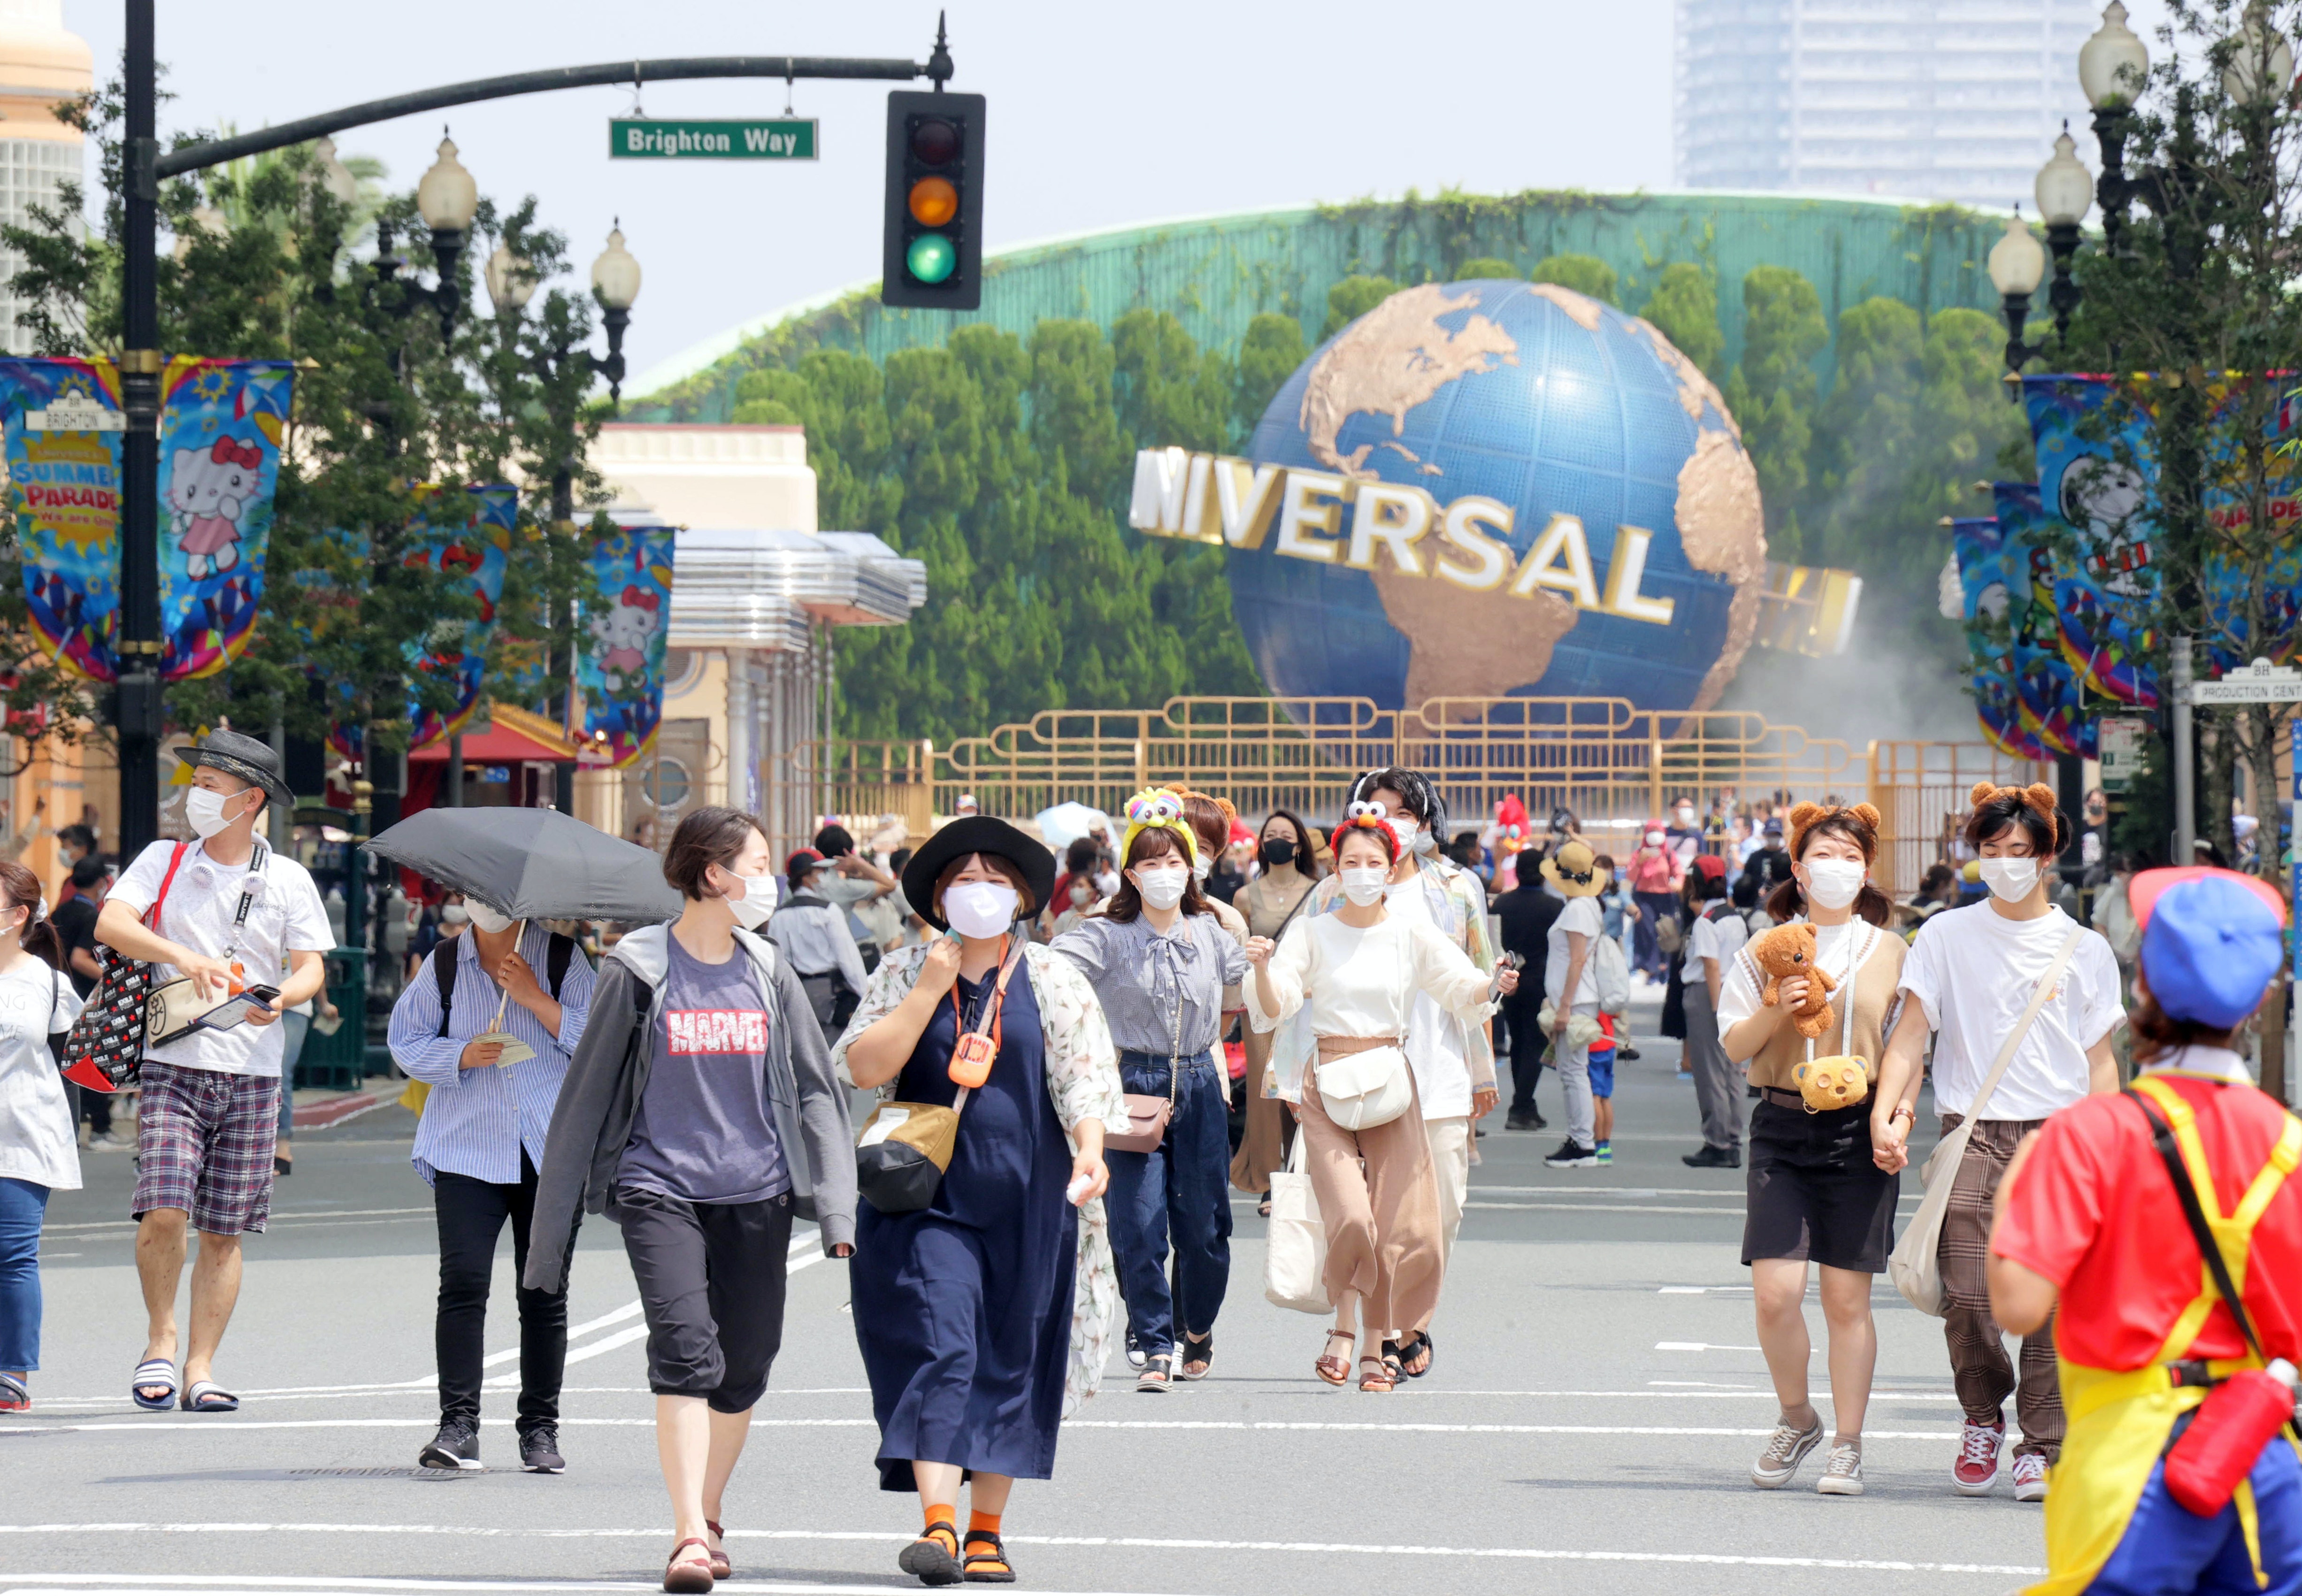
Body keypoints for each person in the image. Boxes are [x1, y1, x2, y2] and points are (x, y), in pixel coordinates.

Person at [527, 806, 856, 1594]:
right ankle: (683, 1536)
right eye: (759, 862)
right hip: (658, 1186)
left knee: (743, 1367)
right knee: (685, 1351)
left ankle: (707, 1515)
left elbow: (816, 1091)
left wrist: (837, 1211)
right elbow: (584, 1101)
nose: (769, 879)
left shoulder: (769, 971)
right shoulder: (635, 970)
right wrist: (550, 1242)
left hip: (758, 1191)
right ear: (715, 874)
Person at [1988, 865, 2302, 1595]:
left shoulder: (2090, 1135)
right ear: (2258, 1002)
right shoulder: (2289, 1143)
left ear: (2141, 991)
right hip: (2263, 1463)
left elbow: (2018, 1303)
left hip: (2132, 1471)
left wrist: (2017, 1183)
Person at [836, 815, 1124, 1588]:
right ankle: (937, 1525)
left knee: (1010, 1353)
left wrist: (1092, 1151)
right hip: (924, 1200)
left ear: (1024, 895)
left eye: (994, 879)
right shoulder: (903, 970)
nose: (980, 892)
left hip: (1032, 1198)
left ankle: (987, 1530)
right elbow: (861, 1066)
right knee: (943, 1345)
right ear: (937, 896)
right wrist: (930, 987)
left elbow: (1084, 1076)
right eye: (963, 879)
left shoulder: (1054, 977)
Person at [1873, 782, 2126, 1504]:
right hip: (1973, 1137)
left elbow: (2100, 1060)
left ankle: (2041, 1446)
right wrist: (1886, 1113)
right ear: (1976, 855)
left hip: (2061, 1141)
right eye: (1992, 852)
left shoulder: (2085, 949)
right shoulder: (1948, 935)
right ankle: (1982, 1415)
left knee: (2051, 1304)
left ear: (2048, 855)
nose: (2007, 863)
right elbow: (1911, 1035)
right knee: (1971, 1297)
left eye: (2020, 851)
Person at [97, 730, 330, 1414]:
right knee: (164, 1209)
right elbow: (113, 923)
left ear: (250, 799)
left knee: (225, 1230)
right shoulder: (165, 860)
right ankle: (160, 1341)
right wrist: (183, 955)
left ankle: (201, 1366)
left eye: (208, 786)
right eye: (194, 783)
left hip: (254, 1073)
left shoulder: (287, 877)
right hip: (173, 1063)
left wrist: (283, 999)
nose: (193, 796)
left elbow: (312, 964)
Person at [1245, 807, 1514, 1391]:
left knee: (1396, 1226)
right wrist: (1263, 969)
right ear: (1335, 871)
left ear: (1391, 867)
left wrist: (1491, 982)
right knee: (1350, 1216)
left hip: (1392, 1081)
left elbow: (1458, 985)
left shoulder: (1411, 932)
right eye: (1351, 863)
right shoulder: (1314, 930)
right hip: (1325, 1084)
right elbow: (1278, 1000)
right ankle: (1344, 1330)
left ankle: (1373, 1343)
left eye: (1374, 862)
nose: (1363, 872)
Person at [1716, 803, 1908, 1496]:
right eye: (1823, 856)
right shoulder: (1761, 949)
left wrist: (1899, 1114)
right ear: (1797, 869)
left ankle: (1849, 1445)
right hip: (1781, 1125)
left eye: (1851, 857)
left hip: (1859, 1129)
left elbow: (1909, 1047)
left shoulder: (1889, 950)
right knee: (1776, 1294)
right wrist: (1777, 1003)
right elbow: (1735, 1045)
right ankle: (1798, 1418)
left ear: (1866, 871)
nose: (1837, 869)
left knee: (1846, 1301)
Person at [389, 893, 596, 1475]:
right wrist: (459, 1054)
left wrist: (534, 997)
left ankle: (539, 1427)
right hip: (465, 1145)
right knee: (462, 1282)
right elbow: (406, 1040)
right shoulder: (446, 962)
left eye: (493, 895)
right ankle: (458, 1424)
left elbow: (601, 1041)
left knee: (543, 1290)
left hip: (550, 1147)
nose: (482, 904)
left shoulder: (562, 958)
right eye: (471, 894)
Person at [1051, 790, 1247, 1390]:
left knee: (1205, 1227)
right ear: (1131, 873)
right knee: (1137, 1222)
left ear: (1191, 867)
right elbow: (1051, 969)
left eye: (1173, 862)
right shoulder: (1107, 935)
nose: (1163, 874)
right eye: (1150, 864)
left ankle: (1197, 1327)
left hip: (1199, 1082)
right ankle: (1155, 1343)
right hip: (1130, 1083)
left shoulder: (1213, 933)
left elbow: (1245, 1000)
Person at [1293, 769, 1496, 1294]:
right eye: (1379, 809)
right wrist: (1291, 1082)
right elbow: (1297, 998)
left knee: (1440, 1214)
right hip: (1350, 1082)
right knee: (1363, 1215)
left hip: (1438, 1078)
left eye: (1404, 812)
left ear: (1424, 822)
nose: (1392, 823)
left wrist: (1482, 1070)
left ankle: (1406, 1314)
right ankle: (1380, 1332)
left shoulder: (1454, 890)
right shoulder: (1327, 897)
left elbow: (1477, 978)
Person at [0, 861, 85, 1412]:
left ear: (17, 915)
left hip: (24, 1132)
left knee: (12, 1254)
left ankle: (12, 1373)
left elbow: (74, 1058)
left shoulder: (48, 982)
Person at [1229, 808, 1320, 1205]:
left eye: (1285, 834)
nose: (1277, 841)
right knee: (1264, 1093)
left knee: (1298, 1088)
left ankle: (1300, 1172)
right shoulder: (1245, 896)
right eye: (1270, 836)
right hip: (1262, 1006)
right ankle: (1268, 1179)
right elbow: (1239, 953)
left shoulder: (1320, 891)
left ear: (1299, 844)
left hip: (1305, 1003)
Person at [1541, 838, 1611, 1168]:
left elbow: (1577, 961)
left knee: (1573, 1072)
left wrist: (1565, 1005)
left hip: (1577, 1000)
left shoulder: (1579, 907)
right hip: (1577, 998)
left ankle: (1582, 1143)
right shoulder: (1586, 904)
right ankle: (1581, 1140)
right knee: (1573, 1071)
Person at [1682, 854, 1751, 1170]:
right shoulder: (1734, 917)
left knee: (1710, 1072)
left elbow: (1710, 965)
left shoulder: (1706, 922)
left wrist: (1715, 1009)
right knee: (1731, 1072)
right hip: (1734, 993)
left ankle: (1717, 1141)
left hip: (1709, 995)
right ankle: (1733, 1138)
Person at [768, 849, 867, 1048]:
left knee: (801, 1048)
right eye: (820, 873)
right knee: (830, 1050)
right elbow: (849, 960)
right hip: (829, 991)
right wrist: (865, 996)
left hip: (794, 992)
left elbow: (777, 962)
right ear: (807, 879)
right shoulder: (829, 912)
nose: (824, 878)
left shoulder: (779, 916)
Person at [1493, 855, 1562, 1132]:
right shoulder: (1554, 907)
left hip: (1509, 976)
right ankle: (1521, 1106)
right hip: (1541, 979)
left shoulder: (1502, 904)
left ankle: (1525, 1103)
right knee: (1534, 1043)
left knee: (1518, 1041)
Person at [1627, 821, 1680, 980]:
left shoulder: (1668, 854)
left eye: (1658, 831)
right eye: (1652, 831)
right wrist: (1640, 862)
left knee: (1666, 931)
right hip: (1644, 897)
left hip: (1665, 897)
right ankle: (1650, 967)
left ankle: (1665, 966)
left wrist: (1678, 883)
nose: (1655, 835)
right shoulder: (1639, 853)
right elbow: (1630, 876)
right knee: (1647, 931)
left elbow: (1678, 872)